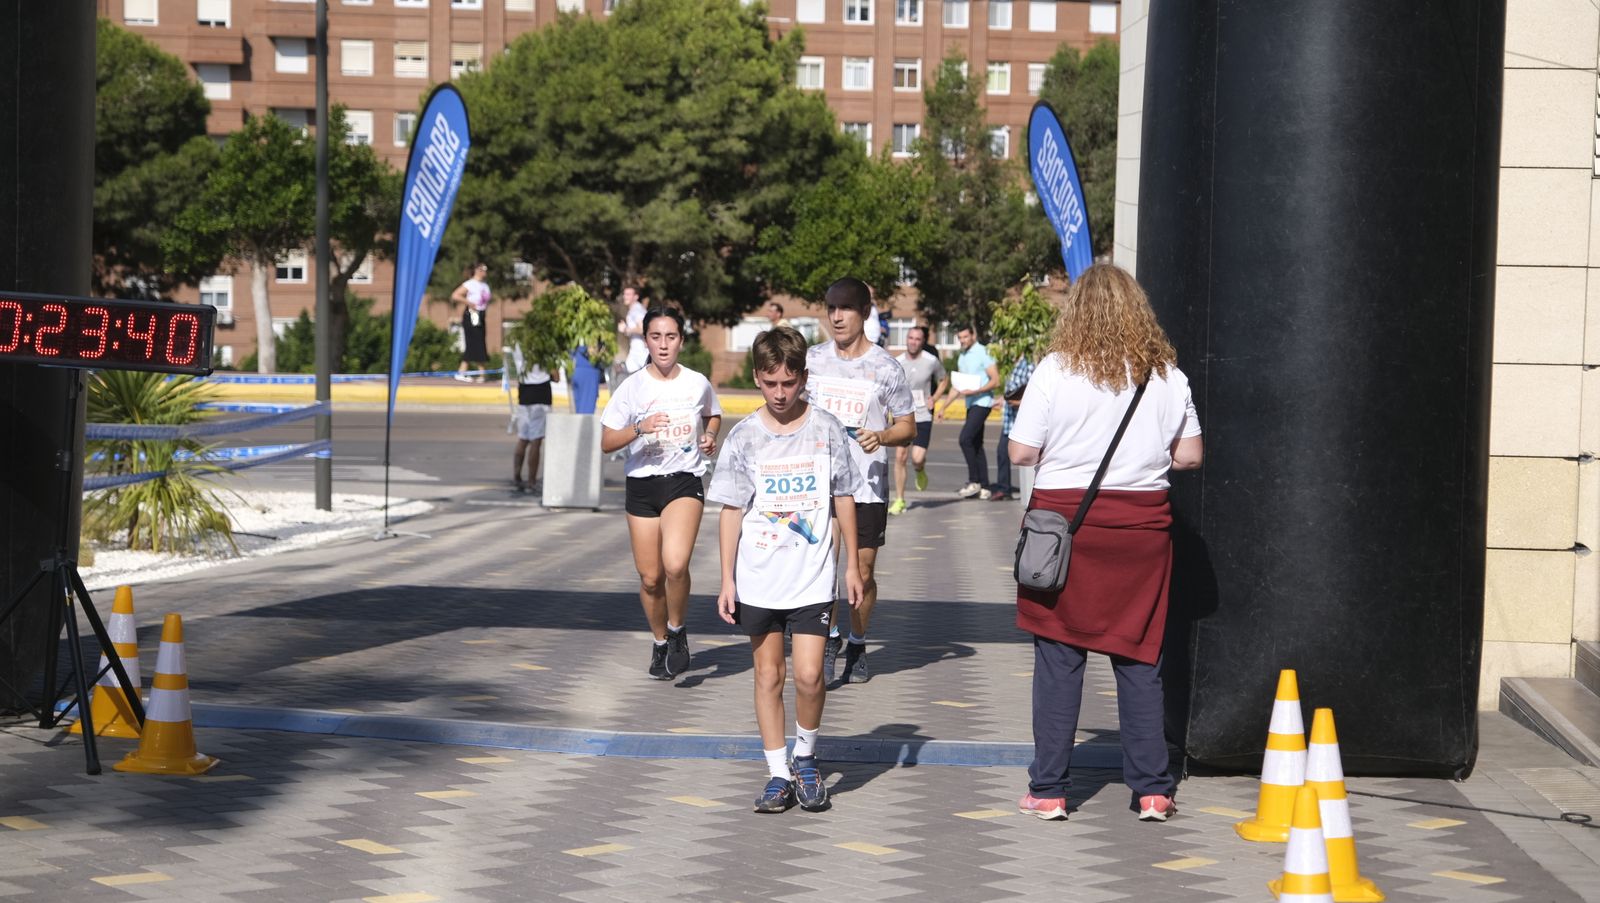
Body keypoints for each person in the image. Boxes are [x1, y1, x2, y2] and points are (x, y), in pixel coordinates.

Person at [1007, 263, 1203, 824]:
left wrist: (1068, 456)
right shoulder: (1167, 375)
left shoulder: (1055, 370)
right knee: (1141, 659)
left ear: (1076, 313)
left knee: (1058, 659)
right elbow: (1189, 456)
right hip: (1142, 533)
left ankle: (1048, 791)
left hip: (1064, 530)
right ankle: (1152, 791)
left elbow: (1021, 453)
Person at [707, 326, 863, 813]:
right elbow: (731, 510)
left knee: (811, 676)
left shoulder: (826, 428)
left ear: (803, 379)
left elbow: (843, 496)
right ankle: (778, 774)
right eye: (770, 383)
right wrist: (727, 579)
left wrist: (852, 565)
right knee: (768, 675)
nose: (780, 393)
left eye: (789, 383)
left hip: (813, 576)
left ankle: (807, 759)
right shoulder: (744, 438)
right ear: (757, 378)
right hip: (758, 577)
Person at [599, 307, 723, 680]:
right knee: (651, 578)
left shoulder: (696, 382)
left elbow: (713, 414)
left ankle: (678, 630)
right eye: (656, 337)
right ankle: (659, 642)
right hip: (642, 485)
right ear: (646, 340)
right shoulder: (633, 386)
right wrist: (640, 427)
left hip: (684, 481)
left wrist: (710, 436)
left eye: (671, 337)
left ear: (681, 341)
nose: (664, 344)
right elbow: (607, 441)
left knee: (674, 565)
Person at [806, 277, 915, 686]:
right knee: (821, 569)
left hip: (866, 485)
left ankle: (857, 639)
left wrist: (882, 436)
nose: (836, 316)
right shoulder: (812, 360)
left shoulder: (886, 367)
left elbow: (908, 426)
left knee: (862, 572)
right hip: (817, 484)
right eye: (830, 308)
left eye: (846, 308)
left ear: (864, 313)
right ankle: (830, 636)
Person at [889, 325, 949, 515]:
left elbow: (944, 380)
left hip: (923, 413)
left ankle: (920, 469)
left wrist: (935, 398)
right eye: (910, 338)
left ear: (922, 342)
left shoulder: (931, 361)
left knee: (917, 457)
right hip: (902, 414)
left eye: (917, 339)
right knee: (900, 456)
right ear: (906, 339)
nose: (913, 342)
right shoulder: (897, 362)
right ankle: (899, 499)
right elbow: (889, 386)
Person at [936, 325, 999, 500]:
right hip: (971, 404)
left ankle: (974, 481)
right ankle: (985, 487)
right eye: (960, 338)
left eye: (965, 337)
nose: (963, 340)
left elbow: (996, 380)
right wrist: (943, 408)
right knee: (976, 444)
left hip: (983, 402)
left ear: (973, 335)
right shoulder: (962, 357)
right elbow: (958, 387)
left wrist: (976, 391)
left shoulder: (983, 352)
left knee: (965, 439)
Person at [505, 343, 552, 493]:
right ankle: (531, 481)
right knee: (536, 441)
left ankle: (517, 476)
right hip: (541, 393)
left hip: (524, 391)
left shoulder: (518, 343)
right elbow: (555, 375)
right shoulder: (545, 344)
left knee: (523, 438)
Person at [989, 355, 1035, 501]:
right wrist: (1002, 400)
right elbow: (1012, 389)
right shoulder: (1014, 363)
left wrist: (1020, 402)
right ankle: (1004, 489)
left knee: (1023, 455)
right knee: (1002, 452)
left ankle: (1025, 490)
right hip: (1010, 419)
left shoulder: (1029, 364)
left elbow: (1032, 390)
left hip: (1020, 420)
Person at [451, 263, 492, 382]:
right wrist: (469, 303)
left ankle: (482, 373)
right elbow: (455, 295)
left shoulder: (485, 285)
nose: (485, 272)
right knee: (474, 340)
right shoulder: (470, 284)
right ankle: (468, 372)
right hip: (472, 314)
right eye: (483, 269)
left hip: (481, 315)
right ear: (477, 270)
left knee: (480, 341)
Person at [617, 286, 649, 377]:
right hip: (635, 350)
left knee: (645, 377)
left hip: (642, 350)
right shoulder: (633, 310)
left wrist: (626, 329)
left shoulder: (637, 309)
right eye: (624, 294)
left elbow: (643, 328)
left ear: (636, 297)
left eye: (628, 294)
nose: (625, 296)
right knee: (630, 377)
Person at [568, 344, 605, 415]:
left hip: (577, 368)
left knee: (579, 413)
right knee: (585, 416)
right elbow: (593, 351)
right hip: (589, 370)